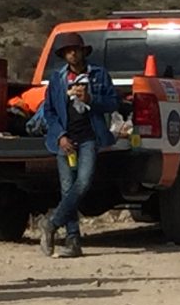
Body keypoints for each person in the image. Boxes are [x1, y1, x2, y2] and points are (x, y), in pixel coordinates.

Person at [37, 37, 119, 258]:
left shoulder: (99, 74)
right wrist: (60, 136)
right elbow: (49, 111)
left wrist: (90, 98)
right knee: (67, 186)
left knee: (83, 182)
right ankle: (73, 240)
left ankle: (52, 223)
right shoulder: (57, 78)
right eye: (67, 51)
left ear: (83, 52)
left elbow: (113, 102)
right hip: (65, 139)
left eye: (75, 50)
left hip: (89, 137)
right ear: (64, 56)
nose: (72, 54)